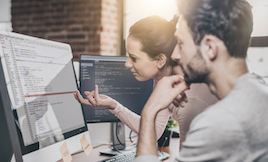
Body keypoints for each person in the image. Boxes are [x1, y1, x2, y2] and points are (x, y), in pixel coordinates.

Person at [135, 0, 268, 161]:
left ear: (210, 48)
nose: (175, 55)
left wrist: (150, 110)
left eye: (181, 44)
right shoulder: (260, 91)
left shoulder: (219, 123)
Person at [74, 15, 217, 148]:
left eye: (134, 58)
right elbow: (154, 131)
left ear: (160, 60)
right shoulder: (163, 79)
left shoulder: (190, 97)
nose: (127, 64)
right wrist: (114, 106)